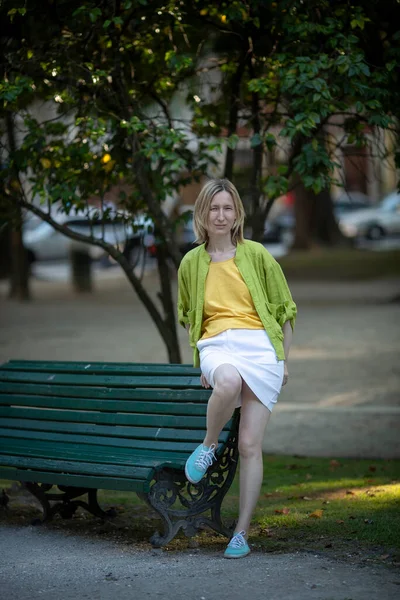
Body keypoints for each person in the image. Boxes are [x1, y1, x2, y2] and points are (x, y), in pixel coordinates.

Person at [177, 178, 297, 559]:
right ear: (202, 213)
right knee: (225, 382)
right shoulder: (191, 262)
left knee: (249, 445)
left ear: (237, 214)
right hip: (218, 344)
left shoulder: (257, 254)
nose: (220, 215)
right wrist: (205, 361)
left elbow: (285, 311)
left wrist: (284, 361)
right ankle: (208, 446)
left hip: (260, 350)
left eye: (228, 208)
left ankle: (241, 533)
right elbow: (188, 316)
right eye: (213, 207)